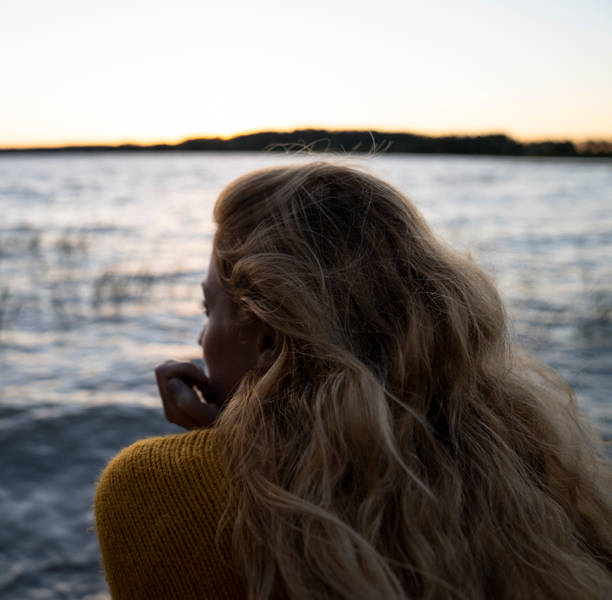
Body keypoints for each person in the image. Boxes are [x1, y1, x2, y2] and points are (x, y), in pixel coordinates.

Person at [93, 161, 612, 599]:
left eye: (209, 309)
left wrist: (221, 450)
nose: (201, 337)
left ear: (269, 336)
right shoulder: (525, 478)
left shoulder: (156, 493)